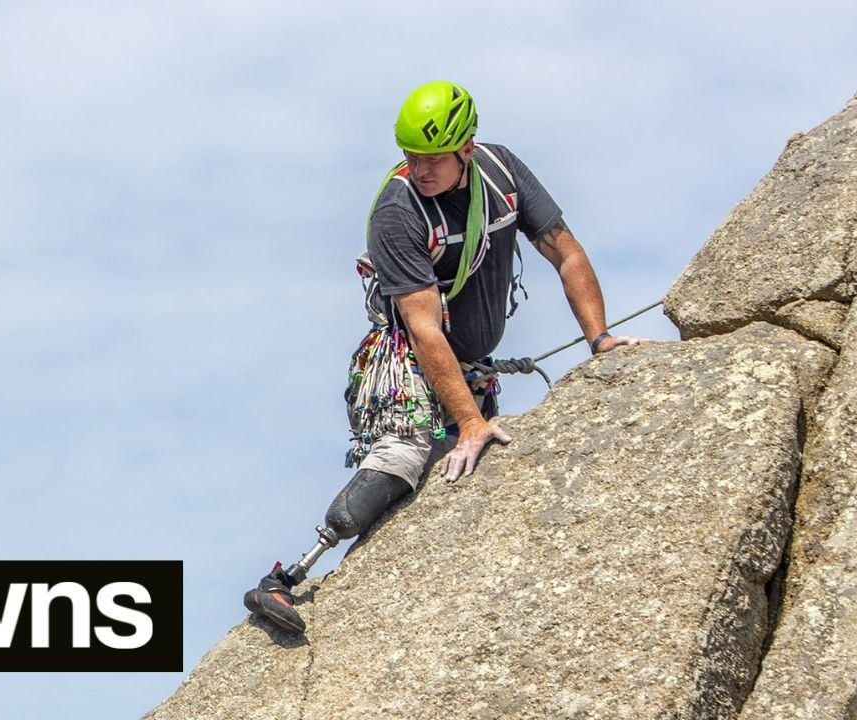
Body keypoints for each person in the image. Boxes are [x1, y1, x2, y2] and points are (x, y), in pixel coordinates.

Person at [243, 80, 640, 635]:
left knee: (458, 470)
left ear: (467, 150)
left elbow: (565, 252)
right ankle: (285, 578)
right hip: (406, 359)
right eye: (411, 156)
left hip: (470, 366)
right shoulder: (399, 211)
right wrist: (471, 421)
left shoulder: (501, 174)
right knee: (404, 457)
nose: (420, 169)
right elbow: (424, 327)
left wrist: (599, 339)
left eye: (433, 158)